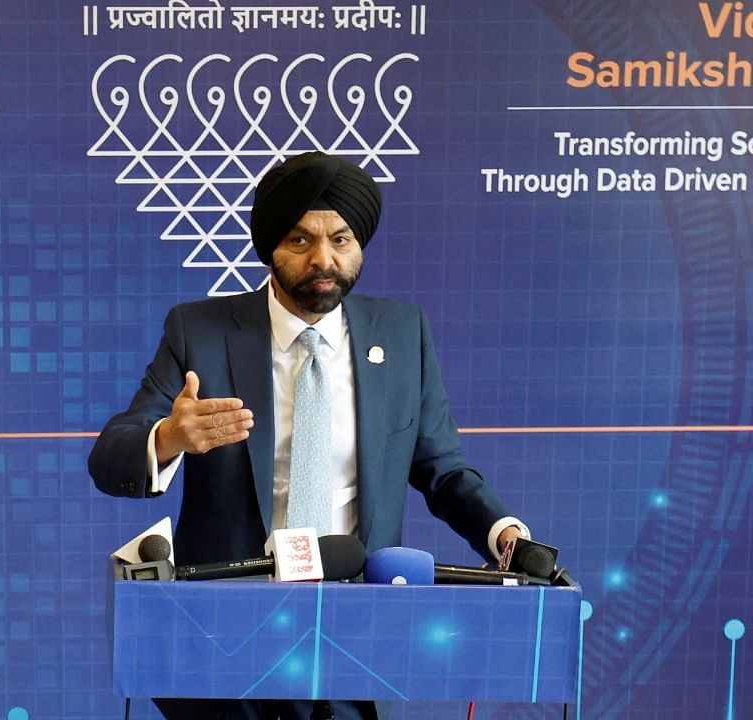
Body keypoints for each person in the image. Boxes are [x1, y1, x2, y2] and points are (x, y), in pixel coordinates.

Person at [88, 152, 531, 720]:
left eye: (341, 239)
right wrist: (170, 438)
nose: (324, 258)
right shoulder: (198, 331)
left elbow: (443, 469)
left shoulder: (402, 333)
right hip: (230, 637)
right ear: (270, 247)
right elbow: (110, 457)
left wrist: (505, 534)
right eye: (300, 240)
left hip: (356, 632)